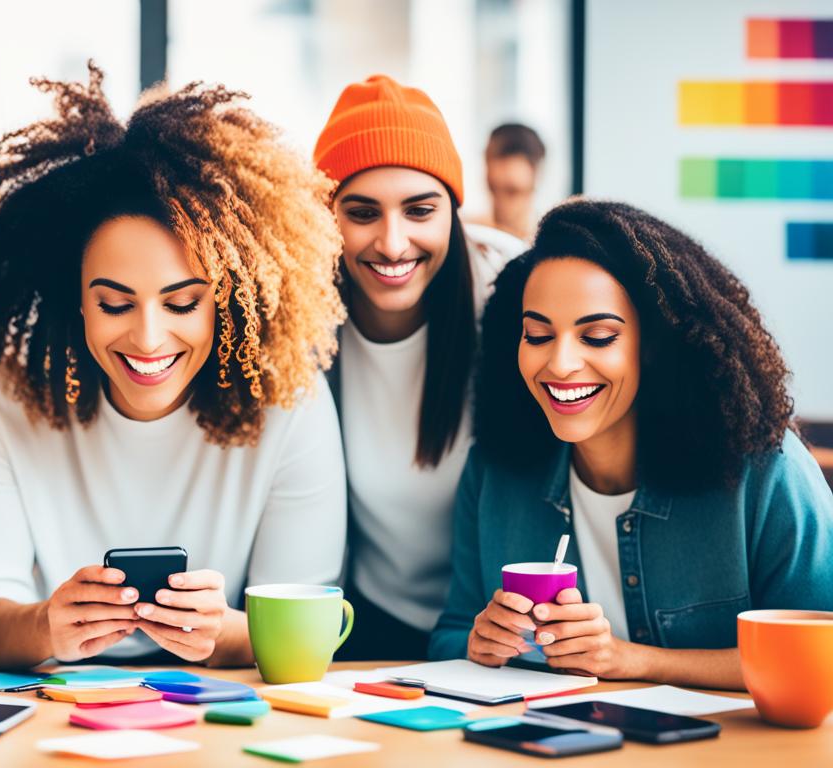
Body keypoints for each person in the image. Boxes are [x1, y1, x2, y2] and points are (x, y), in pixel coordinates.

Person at [0, 65, 348, 670]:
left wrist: (226, 634)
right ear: (75, 297)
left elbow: (307, 627)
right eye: (114, 303)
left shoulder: (289, 397)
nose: (149, 339)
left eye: (183, 303)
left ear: (225, 300)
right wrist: (44, 627)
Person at [430, 200, 833, 690]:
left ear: (655, 344)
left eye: (597, 337)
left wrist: (632, 661)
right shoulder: (495, 472)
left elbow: (818, 655)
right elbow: (450, 635)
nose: (559, 364)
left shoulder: (767, 471)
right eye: (538, 335)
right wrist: (479, 643)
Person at [312, 75, 525, 661]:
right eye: (361, 213)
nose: (393, 242)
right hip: (366, 629)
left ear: (452, 212)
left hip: (507, 631)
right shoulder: (301, 326)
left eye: (419, 210)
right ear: (326, 218)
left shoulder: (512, 295)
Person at [482, 123, 545, 242]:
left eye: (512, 191)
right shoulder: (470, 238)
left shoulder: (551, 246)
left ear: (537, 173)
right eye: (493, 188)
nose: (501, 204)